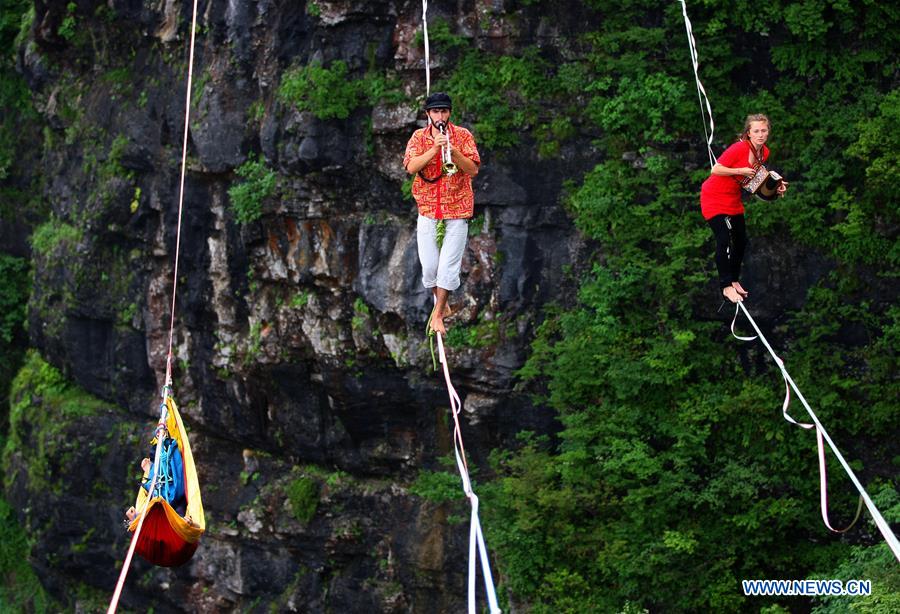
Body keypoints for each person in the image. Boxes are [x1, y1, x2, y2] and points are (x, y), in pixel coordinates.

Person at [403, 92, 480, 334]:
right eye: (435, 111)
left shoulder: (463, 135)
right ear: (428, 114)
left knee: (448, 266)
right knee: (429, 267)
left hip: (457, 207)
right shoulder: (418, 137)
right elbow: (410, 167)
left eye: (444, 111)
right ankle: (443, 306)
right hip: (428, 208)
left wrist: (453, 151)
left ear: (450, 113)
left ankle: (437, 315)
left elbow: (473, 170)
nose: (440, 116)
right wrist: (434, 150)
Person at [700, 114, 788, 303]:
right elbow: (716, 169)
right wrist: (739, 170)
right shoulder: (738, 148)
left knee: (741, 241)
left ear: (768, 132)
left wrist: (776, 187)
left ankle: (734, 279)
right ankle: (725, 286)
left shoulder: (764, 152)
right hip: (713, 197)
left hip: (733, 199)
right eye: (756, 131)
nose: (760, 134)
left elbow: (754, 183)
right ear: (748, 133)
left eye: (764, 130)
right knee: (723, 239)